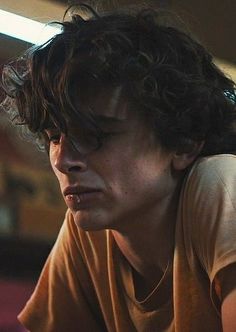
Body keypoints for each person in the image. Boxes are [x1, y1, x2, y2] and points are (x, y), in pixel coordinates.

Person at [1, 3, 236, 331]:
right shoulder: (88, 234)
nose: (63, 160)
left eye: (97, 135)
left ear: (183, 141)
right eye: (54, 136)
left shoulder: (220, 184)